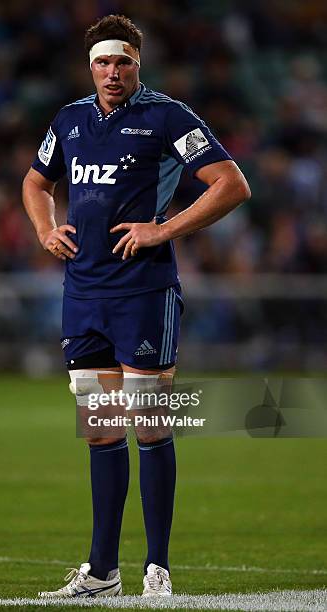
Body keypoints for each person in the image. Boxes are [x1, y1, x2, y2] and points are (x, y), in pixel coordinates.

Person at [22, 14, 250, 599]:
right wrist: (46, 229)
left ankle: (157, 568)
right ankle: (101, 571)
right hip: (84, 293)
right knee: (101, 432)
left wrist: (163, 229)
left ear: (137, 62)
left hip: (144, 293)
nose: (112, 71)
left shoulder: (166, 116)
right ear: (89, 66)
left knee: (149, 425)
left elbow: (230, 182)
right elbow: (34, 182)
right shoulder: (70, 121)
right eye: (102, 61)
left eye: (122, 60)